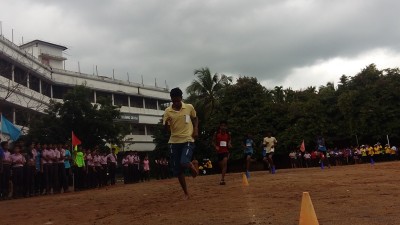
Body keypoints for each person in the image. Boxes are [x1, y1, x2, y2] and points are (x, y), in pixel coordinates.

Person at [163, 87, 199, 200]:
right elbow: (167, 130)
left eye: (178, 100)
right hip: (174, 142)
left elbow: (195, 118)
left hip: (188, 139)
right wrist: (166, 124)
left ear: (181, 98)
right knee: (178, 170)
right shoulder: (167, 111)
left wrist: (196, 129)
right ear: (171, 100)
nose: (176, 103)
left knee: (184, 162)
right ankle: (186, 193)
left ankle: (192, 165)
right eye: (174, 101)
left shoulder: (189, 107)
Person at [212, 120, 231, 185]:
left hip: (225, 151)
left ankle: (222, 179)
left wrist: (229, 144)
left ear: (226, 127)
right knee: (222, 166)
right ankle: (223, 174)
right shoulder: (216, 133)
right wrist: (215, 146)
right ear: (220, 126)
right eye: (222, 126)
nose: (223, 127)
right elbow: (213, 142)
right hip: (219, 152)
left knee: (225, 163)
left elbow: (229, 140)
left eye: (224, 126)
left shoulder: (228, 134)